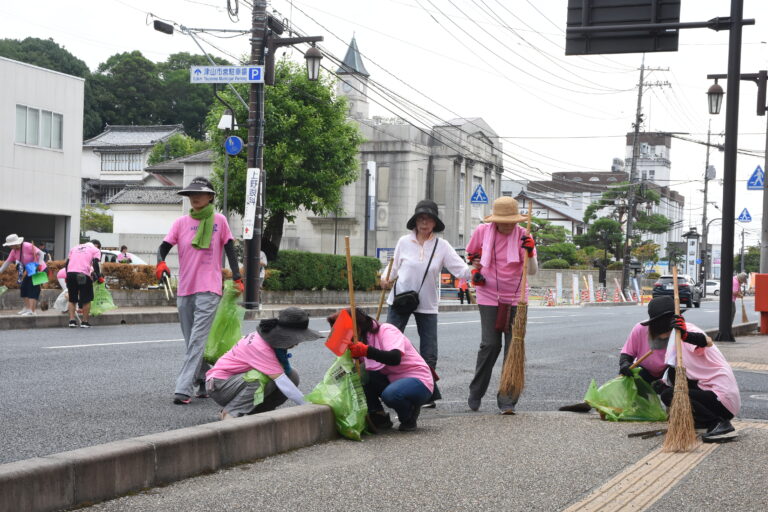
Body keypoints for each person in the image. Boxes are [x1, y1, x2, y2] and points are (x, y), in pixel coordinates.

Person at [157, 177, 243, 406]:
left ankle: (182, 388)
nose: (194, 198)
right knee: (191, 340)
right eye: (190, 195)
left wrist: (237, 277)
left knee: (197, 339)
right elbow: (163, 247)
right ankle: (203, 380)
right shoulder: (181, 223)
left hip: (209, 287)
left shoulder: (219, 220)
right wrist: (160, 263)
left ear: (210, 197)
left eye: (200, 194)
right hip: (185, 287)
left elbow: (230, 249)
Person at [381, 199, 471, 408]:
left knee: (429, 350)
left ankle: (425, 392)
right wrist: (384, 278)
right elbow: (393, 267)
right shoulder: (404, 242)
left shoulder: (442, 246)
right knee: (389, 344)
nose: (424, 223)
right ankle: (385, 386)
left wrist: (479, 264)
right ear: (415, 221)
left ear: (434, 223)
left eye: (428, 219)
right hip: (399, 300)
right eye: (421, 219)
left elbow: (462, 270)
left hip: (427, 302)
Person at [465, 197, 537, 414]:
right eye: (502, 221)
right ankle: (476, 392)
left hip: (517, 296)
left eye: (511, 221)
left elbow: (532, 271)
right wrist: (475, 266)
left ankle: (507, 399)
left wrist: (530, 252)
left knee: (514, 345)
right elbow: (471, 255)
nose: (507, 225)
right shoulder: (482, 231)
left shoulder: (525, 235)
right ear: (494, 220)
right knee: (489, 344)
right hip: (488, 293)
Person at [645, 299, 741, 442]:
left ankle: (718, 424)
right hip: (710, 394)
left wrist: (685, 335)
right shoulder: (673, 339)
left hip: (722, 398)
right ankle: (702, 422)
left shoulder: (685, 331)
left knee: (670, 394)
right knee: (669, 384)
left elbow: (706, 341)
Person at [206, 307, 321, 419]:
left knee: (292, 375)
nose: (297, 343)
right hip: (219, 385)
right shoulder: (261, 347)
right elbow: (283, 383)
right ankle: (230, 413)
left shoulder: (268, 337)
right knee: (257, 379)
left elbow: (285, 377)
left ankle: (258, 412)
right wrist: (308, 405)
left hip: (232, 381)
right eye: (296, 339)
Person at [335, 308, 434, 432]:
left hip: (418, 380)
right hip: (392, 379)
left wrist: (367, 351)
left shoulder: (386, 330)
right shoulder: (363, 339)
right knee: (362, 377)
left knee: (391, 395)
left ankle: (409, 416)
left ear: (357, 327)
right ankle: (379, 416)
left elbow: (394, 358)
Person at [618, 296, 680, 384]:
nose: (665, 335)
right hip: (644, 371)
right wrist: (624, 364)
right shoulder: (640, 329)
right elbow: (627, 353)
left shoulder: (680, 332)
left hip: (669, 371)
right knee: (632, 376)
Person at [0, 233, 48, 316]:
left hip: (39, 269)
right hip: (30, 270)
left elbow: (41, 254)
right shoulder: (13, 251)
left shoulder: (27, 245)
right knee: (23, 287)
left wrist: (39, 266)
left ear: (15, 243)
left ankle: (32, 311)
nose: (9, 246)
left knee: (33, 289)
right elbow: (7, 263)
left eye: (10, 245)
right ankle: (27, 308)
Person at [64, 239, 103, 328]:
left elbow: (67, 263)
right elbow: (96, 263)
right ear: (95, 245)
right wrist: (99, 276)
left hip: (70, 274)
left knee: (72, 299)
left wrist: (67, 275)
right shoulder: (95, 250)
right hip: (83, 274)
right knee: (86, 299)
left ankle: (72, 321)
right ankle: (84, 322)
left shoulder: (74, 248)